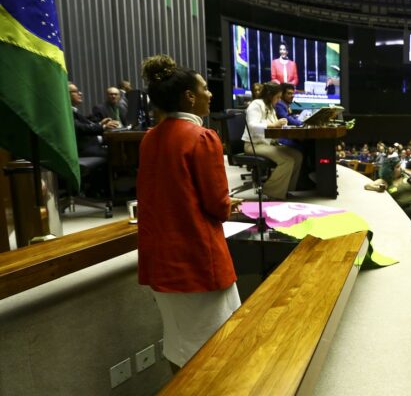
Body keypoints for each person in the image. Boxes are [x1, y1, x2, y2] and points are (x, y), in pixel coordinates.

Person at [136, 55, 243, 370]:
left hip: (160, 259)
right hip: (196, 258)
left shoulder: (150, 138)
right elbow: (215, 205)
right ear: (189, 97)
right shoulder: (202, 137)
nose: (211, 95)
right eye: (206, 89)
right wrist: (227, 204)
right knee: (217, 348)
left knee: (178, 344)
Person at [242, 82, 303, 200]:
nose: (279, 100)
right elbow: (252, 126)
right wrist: (273, 125)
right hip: (253, 145)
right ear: (270, 95)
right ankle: (271, 192)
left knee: (297, 155)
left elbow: (274, 126)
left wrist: (281, 124)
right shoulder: (256, 104)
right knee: (287, 160)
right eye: (278, 97)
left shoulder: (270, 107)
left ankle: (285, 189)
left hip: (266, 144)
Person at [364, 157, 411, 229]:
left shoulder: (405, 174)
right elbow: (367, 186)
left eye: (400, 165)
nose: (400, 168)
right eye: (397, 167)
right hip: (406, 215)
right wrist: (378, 188)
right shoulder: (385, 181)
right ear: (390, 170)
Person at [69, 82, 119, 158]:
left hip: (92, 143)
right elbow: (80, 128)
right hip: (85, 148)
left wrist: (100, 123)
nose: (80, 93)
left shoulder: (73, 110)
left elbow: (85, 124)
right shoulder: (67, 112)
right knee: (116, 153)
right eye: (75, 91)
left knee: (118, 148)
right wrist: (104, 127)